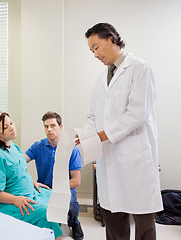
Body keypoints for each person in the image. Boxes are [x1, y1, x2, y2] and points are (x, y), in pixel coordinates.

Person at [84, 23, 163, 240]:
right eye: (91, 50)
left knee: (144, 221)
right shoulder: (100, 80)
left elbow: (137, 114)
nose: (95, 54)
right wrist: (85, 136)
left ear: (111, 39)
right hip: (108, 159)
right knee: (113, 219)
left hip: (135, 158)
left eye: (96, 47)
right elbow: (92, 117)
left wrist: (102, 135)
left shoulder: (140, 68)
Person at [0, 110, 63, 239]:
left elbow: (19, 171)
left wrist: (32, 183)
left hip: (26, 192)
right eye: (5, 127)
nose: (11, 127)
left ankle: (52, 233)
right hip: (3, 202)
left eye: (11, 123)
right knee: (45, 213)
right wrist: (15, 199)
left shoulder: (13, 147)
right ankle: (53, 235)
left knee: (54, 197)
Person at [25, 111, 84, 240]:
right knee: (39, 209)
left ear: (60, 127)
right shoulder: (38, 146)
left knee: (72, 206)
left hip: (64, 188)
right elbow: (19, 163)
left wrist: (57, 188)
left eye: (53, 126)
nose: (49, 129)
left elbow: (76, 181)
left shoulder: (71, 149)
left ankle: (74, 223)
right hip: (43, 188)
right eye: (46, 126)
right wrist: (31, 181)